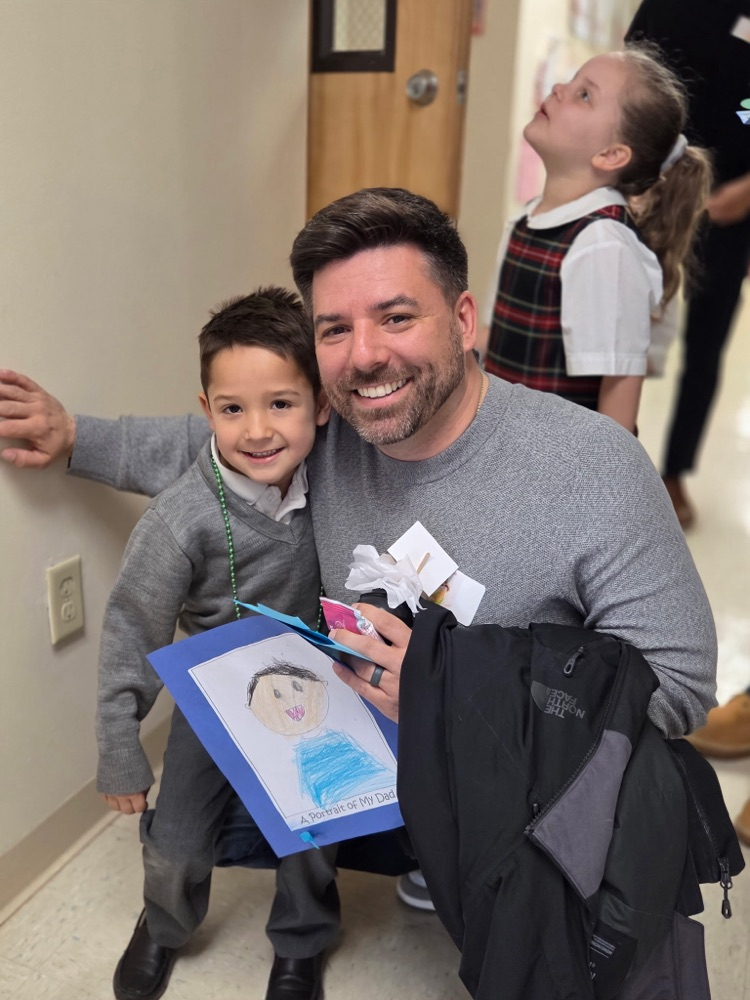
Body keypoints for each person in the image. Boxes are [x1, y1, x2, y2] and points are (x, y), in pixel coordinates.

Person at [0, 187, 718, 983]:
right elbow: (209, 444)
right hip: (353, 763)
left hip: (515, 807)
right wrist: (75, 437)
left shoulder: (590, 468)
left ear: (465, 319)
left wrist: (455, 699)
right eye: (334, 329)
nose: (365, 355)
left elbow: (680, 686)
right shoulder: (328, 431)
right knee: (215, 817)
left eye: (397, 316)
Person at [95, 288, 333, 1000]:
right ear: (206, 411)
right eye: (232, 409)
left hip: (313, 689)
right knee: (176, 841)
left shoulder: (339, 478)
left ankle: (302, 944)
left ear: (322, 404)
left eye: (281, 403)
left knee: (314, 832)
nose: (257, 430)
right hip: (213, 699)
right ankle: (163, 924)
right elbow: (131, 627)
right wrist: (119, 744)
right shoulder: (181, 519)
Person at [479, 44, 712, 434]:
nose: (558, 88)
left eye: (584, 94)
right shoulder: (527, 219)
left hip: (560, 458)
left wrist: (604, 475)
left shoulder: (603, 245)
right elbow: (495, 336)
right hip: (505, 443)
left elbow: (619, 397)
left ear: (611, 154)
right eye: (572, 81)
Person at [626, 0, 750, 526]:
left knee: (705, 348)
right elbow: (630, 79)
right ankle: (609, 465)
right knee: (619, 339)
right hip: (650, 193)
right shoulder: (668, 7)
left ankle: (674, 473)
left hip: (729, 204)